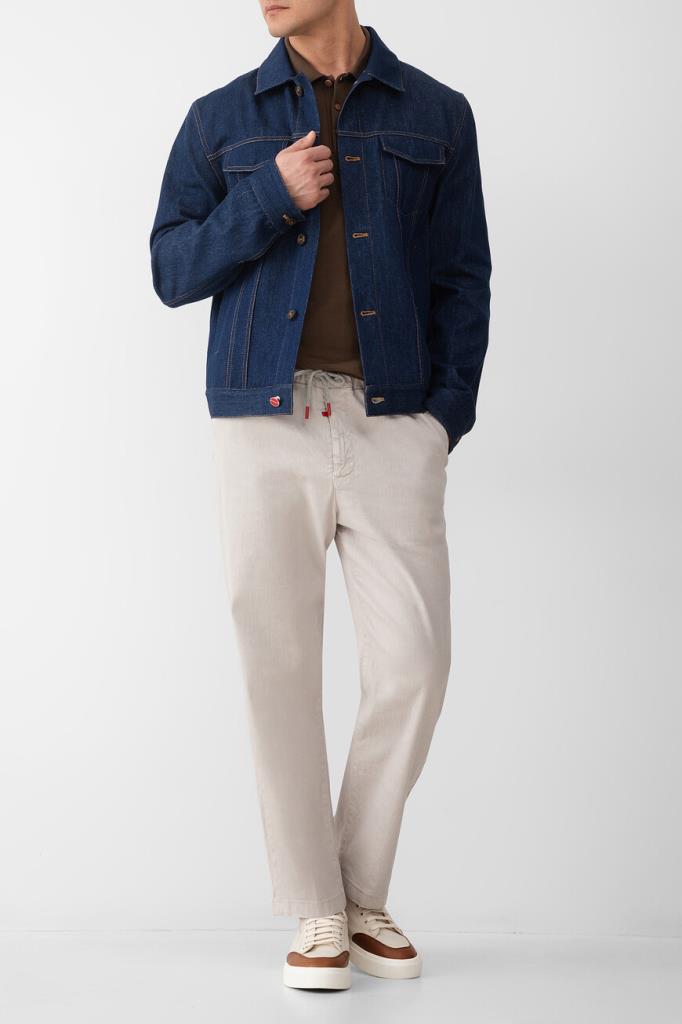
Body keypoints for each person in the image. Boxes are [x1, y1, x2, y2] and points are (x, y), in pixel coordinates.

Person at [149, 0, 492, 991]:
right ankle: (319, 908)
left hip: (392, 421)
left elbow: (463, 277)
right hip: (263, 422)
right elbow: (172, 268)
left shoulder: (437, 113)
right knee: (281, 669)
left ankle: (357, 887)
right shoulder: (221, 119)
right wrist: (269, 194)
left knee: (414, 665)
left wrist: (441, 420)